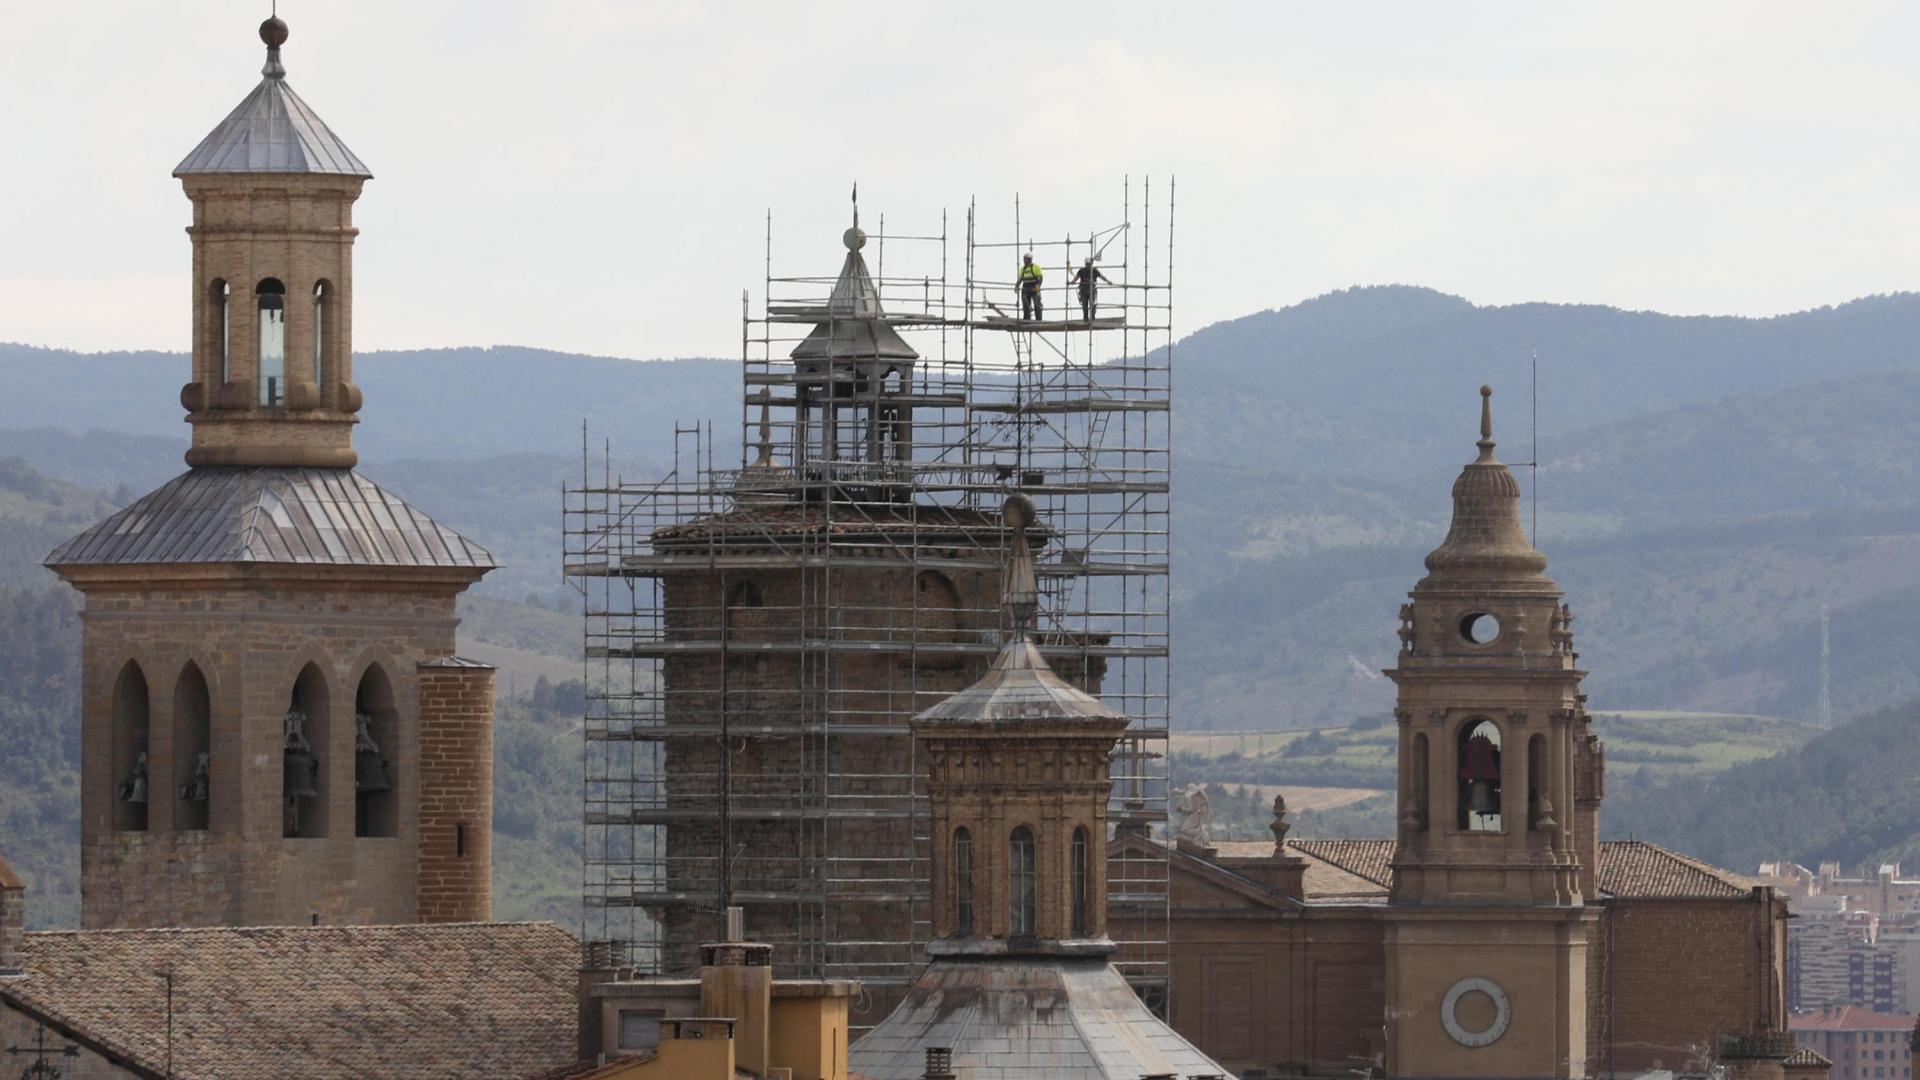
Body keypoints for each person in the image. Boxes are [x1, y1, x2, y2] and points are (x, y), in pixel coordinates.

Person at [1017, 253, 1044, 320]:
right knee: (1026, 306)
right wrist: (1016, 286)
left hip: (1034, 287)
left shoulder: (1035, 267)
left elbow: (1040, 278)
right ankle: (1027, 319)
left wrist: (1038, 287)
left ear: (1030, 259)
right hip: (1025, 288)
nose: (1024, 260)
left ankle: (1038, 320)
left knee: (1037, 305)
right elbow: (1020, 279)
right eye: (1024, 259)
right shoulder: (1022, 269)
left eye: (1025, 259)